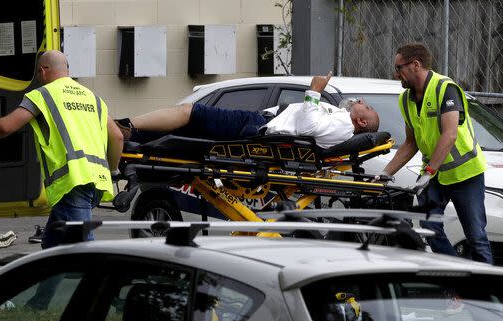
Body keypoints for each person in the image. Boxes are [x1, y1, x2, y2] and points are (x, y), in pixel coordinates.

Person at [0, 50, 124, 249]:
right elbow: (117, 136)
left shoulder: (42, 95)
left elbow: (4, 127)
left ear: (43, 71)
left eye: (37, 74)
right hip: (96, 183)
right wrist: (112, 171)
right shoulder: (93, 97)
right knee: (51, 247)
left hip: (72, 184)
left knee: (83, 253)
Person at [375, 43, 492, 264]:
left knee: (476, 237)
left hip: (465, 174)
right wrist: (385, 173)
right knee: (429, 227)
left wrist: (428, 173)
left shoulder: (445, 89)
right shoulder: (406, 99)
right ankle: (458, 279)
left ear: (415, 65)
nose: (395, 73)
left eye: (399, 67)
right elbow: (411, 143)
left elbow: (449, 135)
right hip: (435, 175)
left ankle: (489, 293)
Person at [116, 72, 379, 148]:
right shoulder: (341, 118)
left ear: (362, 122)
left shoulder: (344, 124)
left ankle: (125, 125)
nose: (359, 101)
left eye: (364, 106)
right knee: (186, 125)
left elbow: (308, 127)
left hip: (259, 127)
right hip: (261, 122)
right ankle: (131, 136)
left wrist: (314, 91)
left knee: (189, 111)